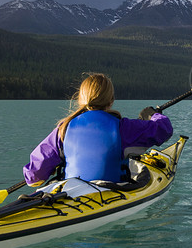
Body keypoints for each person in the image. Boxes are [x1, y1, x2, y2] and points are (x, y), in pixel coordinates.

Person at [23, 73, 173, 186]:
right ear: (111, 100)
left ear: (80, 99)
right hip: (112, 192)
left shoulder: (63, 129)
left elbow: (34, 177)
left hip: (71, 193)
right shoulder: (123, 128)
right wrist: (153, 115)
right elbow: (164, 129)